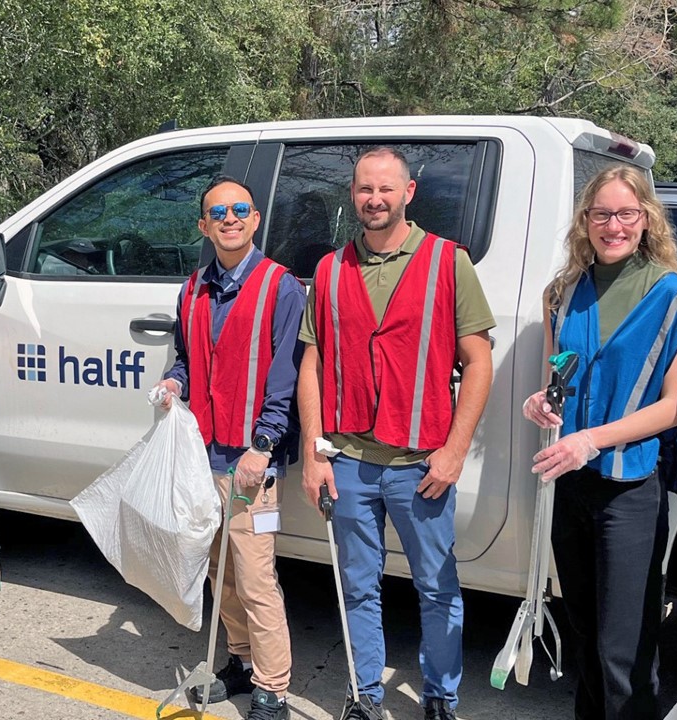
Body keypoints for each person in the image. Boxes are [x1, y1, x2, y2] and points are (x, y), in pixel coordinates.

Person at [297, 147, 495, 720]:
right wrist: (314, 452)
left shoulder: (448, 263)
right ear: (352, 194)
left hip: (420, 464)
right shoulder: (330, 270)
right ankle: (364, 696)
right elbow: (312, 363)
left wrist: (454, 451)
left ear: (409, 192)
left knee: (437, 587)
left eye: (386, 188)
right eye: (365, 189)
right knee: (358, 586)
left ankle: (440, 698)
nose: (375, 199)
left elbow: (478, 362)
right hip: (348, 460)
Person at [523, 165, 677, 719]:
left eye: (627, 213)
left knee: (623, 648)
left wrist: (591, 439)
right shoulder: (561, 293)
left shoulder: (676, 296)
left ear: (647, 219)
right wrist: (542, 403)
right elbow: (556, 379)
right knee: (583, 632)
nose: (614, 226)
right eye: (601, 214)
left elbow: (675, 405)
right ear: (585, 221)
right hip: (570, 483)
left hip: (630, 489)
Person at [152, 176, 304, 720]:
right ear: (204, 225)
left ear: (256, 219)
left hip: (251, 462)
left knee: (256, 577)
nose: (230, 219)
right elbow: (187, 360)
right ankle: (240, 660)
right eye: (218, 213)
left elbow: (285, 380)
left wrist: (262, 446)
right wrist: (174, 383)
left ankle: (272, 688)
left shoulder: (281, 287)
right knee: (221, 569)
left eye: (240, 209)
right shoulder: (193, 288)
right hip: (205, 457)